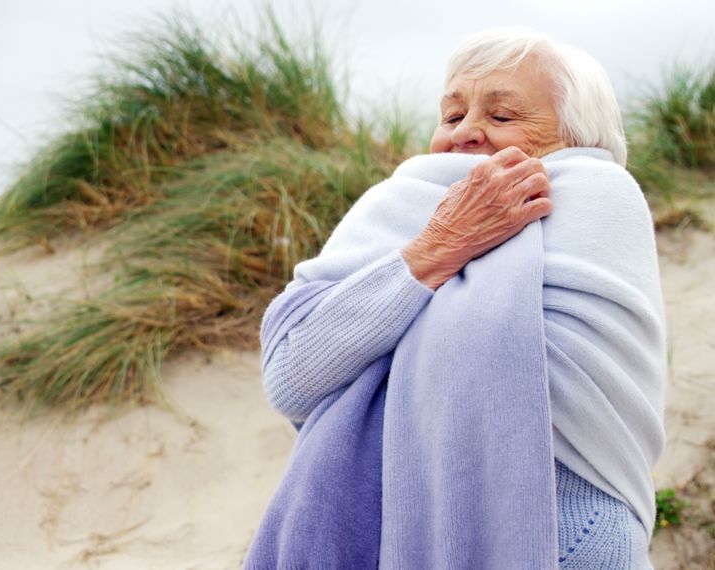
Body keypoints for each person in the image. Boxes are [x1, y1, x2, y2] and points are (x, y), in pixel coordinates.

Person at [253, 27, 665, 568]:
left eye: (502, 116)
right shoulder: (398, 210)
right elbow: (291, 375)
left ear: (577, 137)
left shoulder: (599, 196)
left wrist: (393, 318)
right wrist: (438, 246)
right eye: (451, 116)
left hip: (573, 540)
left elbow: (531, 377)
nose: (466, 132)